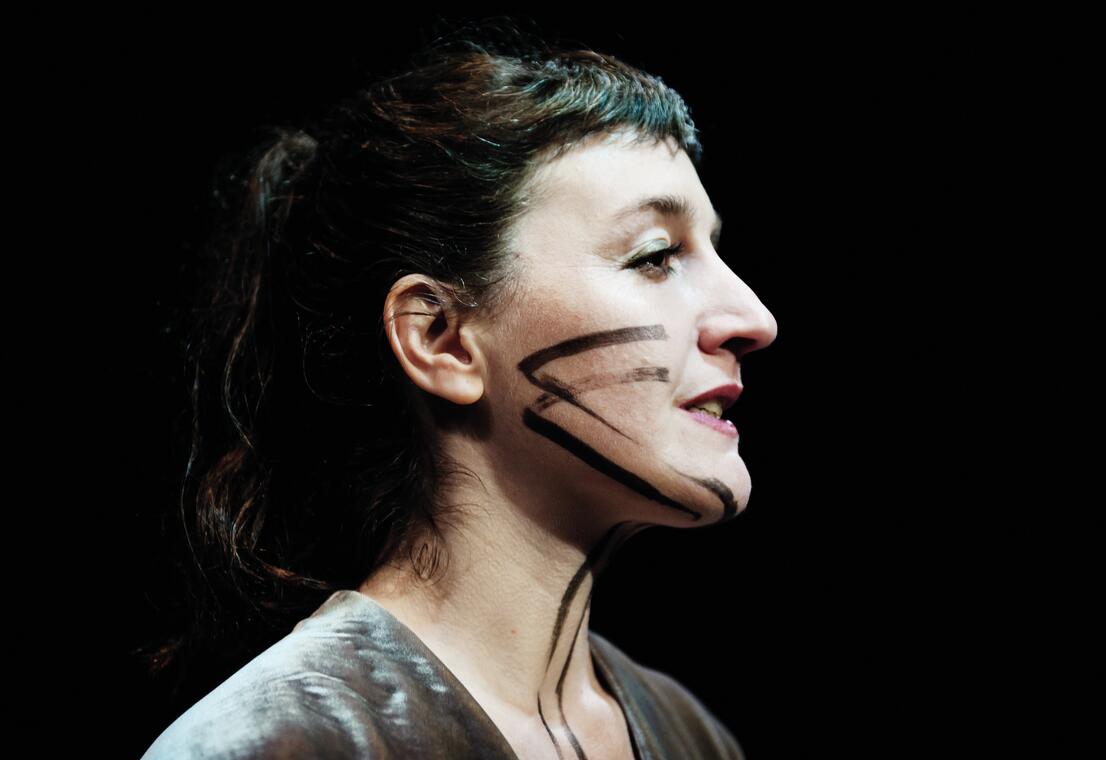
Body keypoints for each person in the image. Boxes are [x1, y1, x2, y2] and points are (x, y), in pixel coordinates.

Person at [138, 16, 776, 760]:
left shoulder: (691, 736)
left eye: (713, 251)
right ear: (441, 339)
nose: (753, 319)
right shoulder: (277, 745)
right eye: (655, 256)